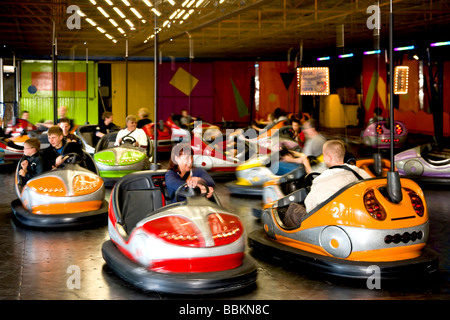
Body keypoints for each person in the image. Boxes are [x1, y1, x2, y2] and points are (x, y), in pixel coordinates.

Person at [283, 140, 372, 228]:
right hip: (358, 218)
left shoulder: (322, 180)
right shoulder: (361, 172)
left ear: (329, 158)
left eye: (323, 155)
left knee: (293, 208)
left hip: (333, 222)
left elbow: (309, 207)